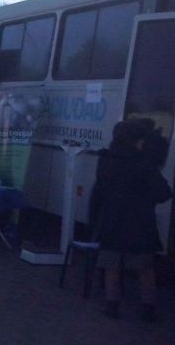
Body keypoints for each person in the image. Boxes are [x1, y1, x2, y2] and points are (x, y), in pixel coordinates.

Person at [90, 120, 172, 322]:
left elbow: (99, 191)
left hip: (111, 221)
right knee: (145, 269)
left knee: (111, 266)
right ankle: (148, 310)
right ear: (137, 141)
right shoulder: (144, 162)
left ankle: (112, 307)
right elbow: (163, 193)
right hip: (139, 224)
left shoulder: (105, 160)